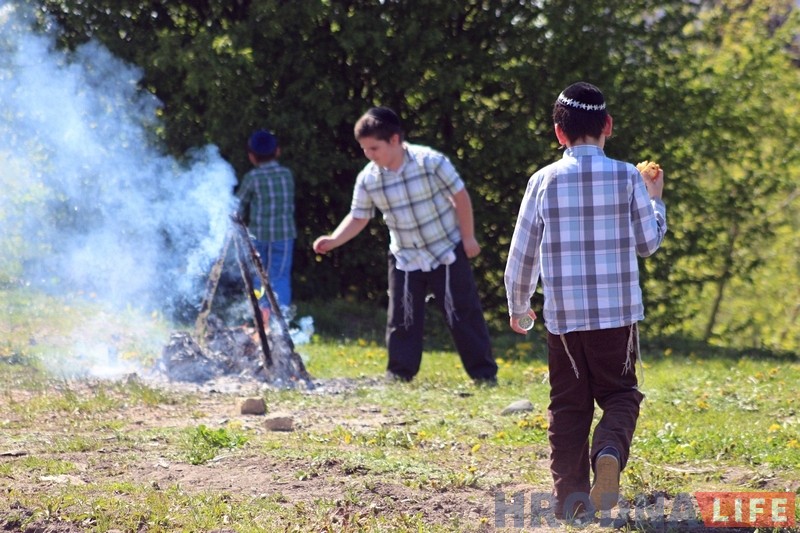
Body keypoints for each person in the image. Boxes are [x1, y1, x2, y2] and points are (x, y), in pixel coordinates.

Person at [504, 82, 667, 519]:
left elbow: (522, 254)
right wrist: (656, 202)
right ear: (608, 125)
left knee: (568, 406)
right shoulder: (628, 176)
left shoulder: (543, 181)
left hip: (565, 321)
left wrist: (519, 306)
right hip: (617, 318)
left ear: (559, 133)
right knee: (621, 394)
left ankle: (571, 502)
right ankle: (608, 450)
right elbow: (647, 243)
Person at [313, 106, 497, 385]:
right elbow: (359, 216)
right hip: (405, 256)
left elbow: (460, 196)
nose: (369, 154)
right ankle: (399, 373)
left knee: (462, 312)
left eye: (374, 148)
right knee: (402, 317)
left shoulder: (430, 162)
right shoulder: (368, 178)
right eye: (364, 149)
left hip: (445, 249)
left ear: (395, 140)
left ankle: (484, 374)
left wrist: (468, 236)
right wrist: (334, 239)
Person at [236, 129, 296, 328]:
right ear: (277, 151)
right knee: (280, 277)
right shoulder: (286, 175)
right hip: (284, 237)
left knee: (258, 277)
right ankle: (280, 323)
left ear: (251, 156)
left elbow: (238, 205)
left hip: (258, 236)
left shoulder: (252, 177)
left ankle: (260, 321)